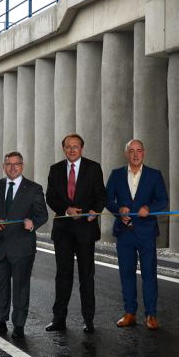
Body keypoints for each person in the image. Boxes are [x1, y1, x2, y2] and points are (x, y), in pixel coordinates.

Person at [0, 151, 48, 339]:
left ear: (22, 166)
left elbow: (43, 215)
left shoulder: (34, 188)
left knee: (21, 286)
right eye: (9, 164)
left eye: (16, 164)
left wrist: (32, 223)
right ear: (4, 166)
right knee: (0, 285)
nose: (13, 167)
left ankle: (19, 325)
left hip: (22, 246)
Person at [45, 133, 106, 333]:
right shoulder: (55, 170)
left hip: (85, 230)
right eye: (68, 146)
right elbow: (51, 197)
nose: (72, 150)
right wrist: (66, 210)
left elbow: (101, 196)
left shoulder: (94, 168)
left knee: (86, 276)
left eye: (76, 146)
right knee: (63, 276)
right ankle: (58, 319)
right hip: (63, 230)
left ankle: (88, 320)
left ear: (82, 148)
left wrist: (94, 212)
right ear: (63, 149)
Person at [106, 139, 168, 330]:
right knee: (126, 274)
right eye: (131, 151)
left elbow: (163, 200)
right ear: (126, 154)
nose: (135, 154)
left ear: (144, 153)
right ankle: (130, 313)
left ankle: (151, 315)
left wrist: (149, 208)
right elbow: (107, 199)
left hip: (146, 232)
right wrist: (119, 210)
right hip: (124, 233)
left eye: (138, 151)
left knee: (149, 274)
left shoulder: (154, 175)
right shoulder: (116, 175)